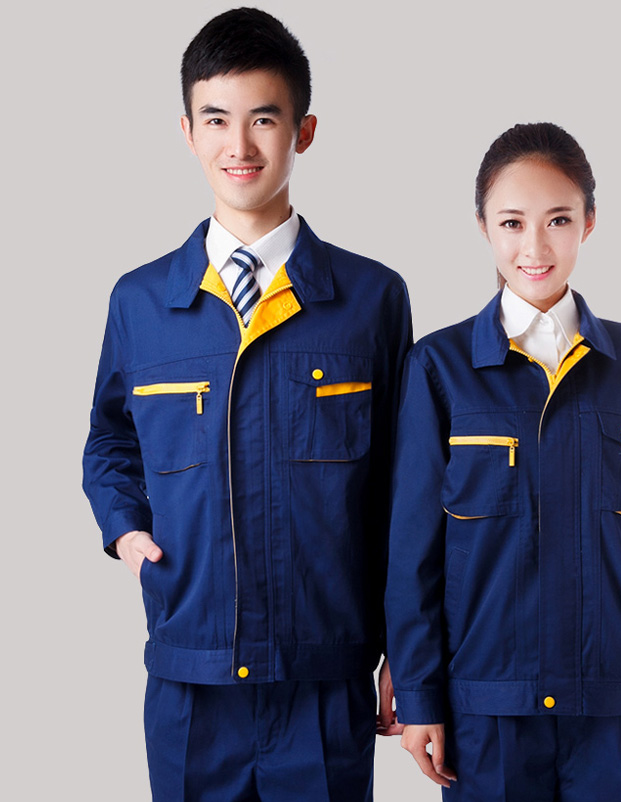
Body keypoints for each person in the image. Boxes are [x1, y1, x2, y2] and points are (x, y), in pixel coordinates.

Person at [82, 8, 410, 801]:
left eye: (263, 119)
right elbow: (109, 441)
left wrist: (409, 649)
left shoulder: (371, 299)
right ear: (187, 132)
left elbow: (410, 489)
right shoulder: (141, 303)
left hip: (325, 677)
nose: (240, 145)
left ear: (304, 132)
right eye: (216, 119)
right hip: (190, 677)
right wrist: (125, 528)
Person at [385, 122, 621, 801]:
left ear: (588, 222)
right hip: (488, 707)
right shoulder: (440, 367)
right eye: (512, 222)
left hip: (614, 700)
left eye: (558, 220)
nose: (534, 247)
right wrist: (418, 694)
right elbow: (413, 547)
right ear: (484, 227)